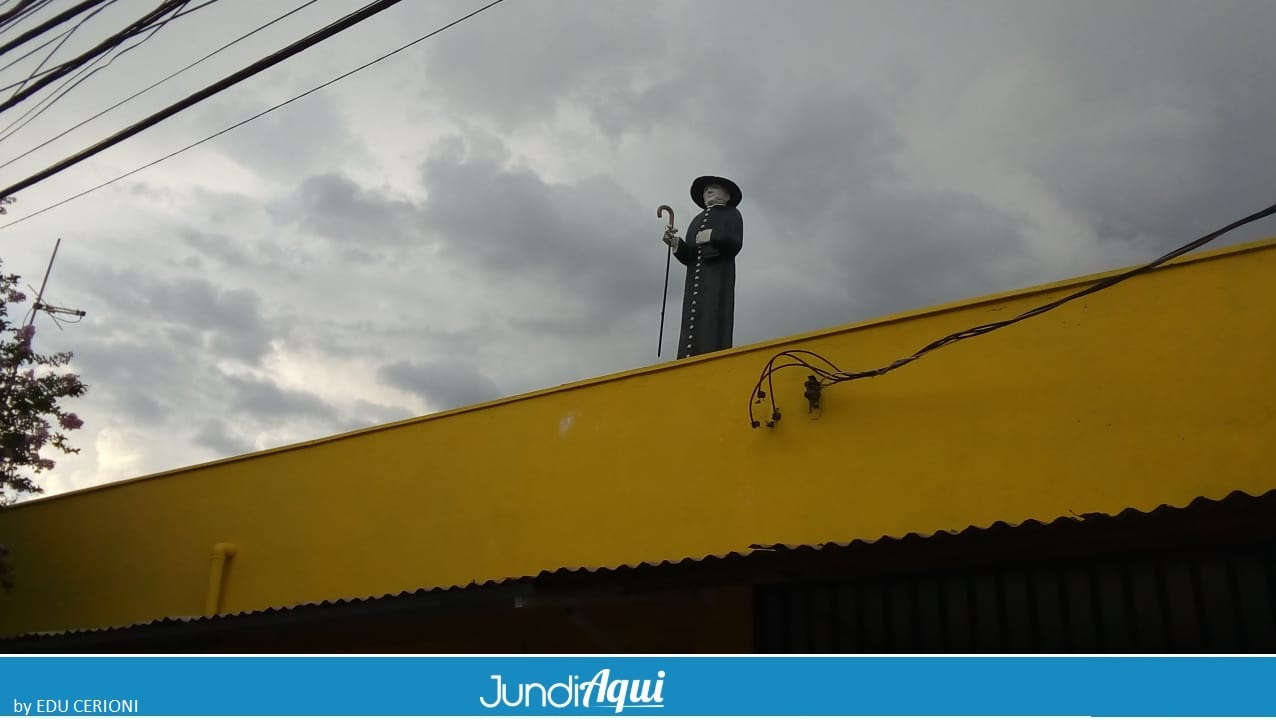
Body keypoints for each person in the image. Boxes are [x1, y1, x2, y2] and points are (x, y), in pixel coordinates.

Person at [662, 175, 743, 359]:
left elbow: (735, 243)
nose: (708, 191)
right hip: (694, 283)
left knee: (712, 318)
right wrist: (675, 242)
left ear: (727, 195)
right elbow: (690, 256)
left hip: (718, 278)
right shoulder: (696, 220)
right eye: (706, 189)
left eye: (714, 187)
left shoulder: (732, 215)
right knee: (692, 317)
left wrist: (712, 235)